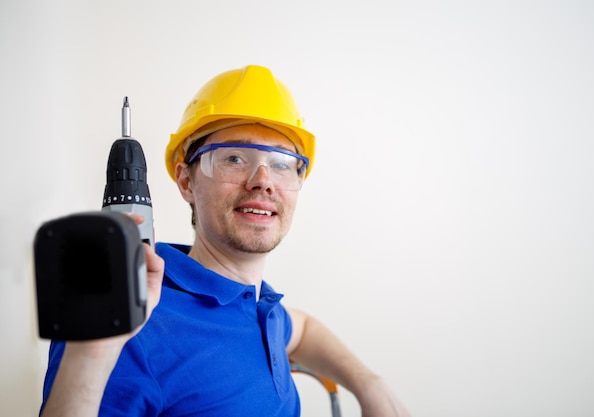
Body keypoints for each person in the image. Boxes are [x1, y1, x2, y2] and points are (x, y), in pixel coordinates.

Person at [40, 65, 411, 417]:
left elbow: (303, 330)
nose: (263, 180)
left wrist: (368, 383)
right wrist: (91, 357)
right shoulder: (129, 321)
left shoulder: (259, 306)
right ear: (186, 181)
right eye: (234, 157)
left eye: (282, 163)